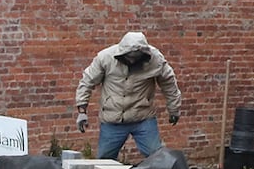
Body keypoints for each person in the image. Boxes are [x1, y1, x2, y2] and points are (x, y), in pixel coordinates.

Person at [75, 31, 182, 160]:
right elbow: (87, 81)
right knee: (104, 162)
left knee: (157, 158)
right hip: (113, 119)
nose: (132, 60)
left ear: (144, 55)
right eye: (129, 56)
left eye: (136, 57)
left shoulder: (156, 60)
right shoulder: (105, 58)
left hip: (143, 117)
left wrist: (174, 109)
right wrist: (82, 111)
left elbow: (169, 84)